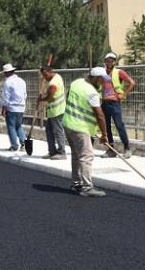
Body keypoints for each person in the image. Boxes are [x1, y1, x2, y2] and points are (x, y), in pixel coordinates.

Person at [62, 67, 110, 197]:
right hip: (80, 128)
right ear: (95, 78)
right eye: (101, 80)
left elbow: (69, 100)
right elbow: (100, 115)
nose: (102, 83)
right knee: (86, 156)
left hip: (68, 124)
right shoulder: (92, 93)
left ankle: (76, 184)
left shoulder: (76, 83)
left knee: (76, 155)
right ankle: (87, 187)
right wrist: (105, 135)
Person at [101, 52, 136, 158]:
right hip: (104, 103)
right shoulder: (102, 73)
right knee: (106, 127)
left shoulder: (118, 72)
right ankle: (110, 150)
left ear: (114, 62)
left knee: (119, 125)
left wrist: (124, 94)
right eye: (108, 60)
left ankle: (127, 148)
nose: (109, 62)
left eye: (112, 60)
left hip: (114, 103)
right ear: (105, 61)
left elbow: (132, 83)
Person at [37, 66, 67, 160]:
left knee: (58, 131)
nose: (44, 77)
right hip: (52, 111)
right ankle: (52, 151)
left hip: (57, 111)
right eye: (43, 75)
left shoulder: (53, 83)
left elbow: (50, 98)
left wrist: (41, 99)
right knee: (49, 131)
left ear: (50, 72)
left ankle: (62, 152)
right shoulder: (57, 76)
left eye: (45, 74)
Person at [1, 63, 27, 151]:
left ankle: (14, 146)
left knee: (11, 126)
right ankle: (23, 143)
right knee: (18, 125)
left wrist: (4, 108)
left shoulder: (8, 82)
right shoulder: (22, 81)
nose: (4, 75)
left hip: (12, 107)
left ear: (7, 73)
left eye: (5, 73)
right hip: (21, 107)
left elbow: (6, 97)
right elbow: (25, 94)